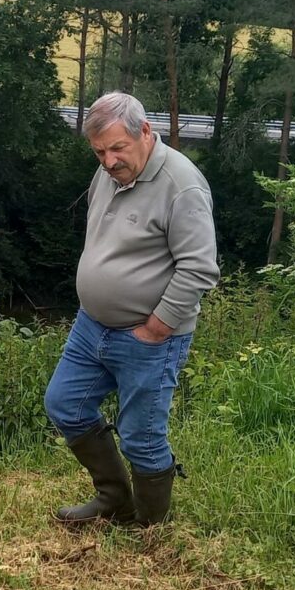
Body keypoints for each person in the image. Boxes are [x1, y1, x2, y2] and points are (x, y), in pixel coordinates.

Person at [44, 92, 219, 526]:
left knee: (141, 436)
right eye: (99, 151)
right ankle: (114, 499)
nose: (108, 161)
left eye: (117, 148)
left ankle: (150, 525)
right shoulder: (107, 174)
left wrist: (158, 327)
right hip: (91, 327)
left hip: (148, 335)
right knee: (65, 403)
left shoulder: (183, 186)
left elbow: (199, 268)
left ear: (145, 131)